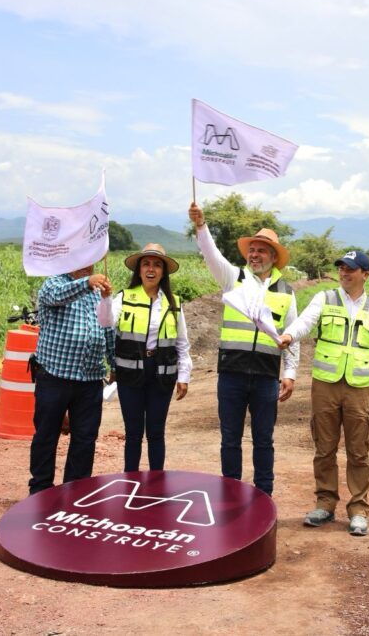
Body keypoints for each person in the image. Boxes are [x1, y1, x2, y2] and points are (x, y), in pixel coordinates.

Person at [188, 202, 299, 496]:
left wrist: (289, 373)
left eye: (262, 250)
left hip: (266, 377)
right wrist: (201, 226)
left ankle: (264, 496)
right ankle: (231, 493)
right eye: (252, 249)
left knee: (264, 440)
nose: (254, 254)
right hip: (232, 374)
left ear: (273, 257)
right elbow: (211, 254)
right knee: (230, 439)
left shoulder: (286, 292)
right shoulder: (233, 279)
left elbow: (292, 334)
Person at [277, 250, 369, 536]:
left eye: (350, 269)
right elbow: (305, 321)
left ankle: (358, 509)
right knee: (324, 448)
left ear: (365, 274)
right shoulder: (324, 298)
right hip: (325, 384)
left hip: (359, 387)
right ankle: (325, 504)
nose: (344, 273)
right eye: (341, 268)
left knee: (358, 450)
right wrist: (289, 335)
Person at [97, 243, 191, 472]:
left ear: (163, 272)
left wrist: (184, 376)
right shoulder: (125, 297)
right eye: (146, 264)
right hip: (130, 373)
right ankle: (131, 480)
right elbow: (105, 321)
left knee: (156, 432)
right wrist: (106, 299)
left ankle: (156, 482)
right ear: (138, 270)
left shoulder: (174, 303)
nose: (151, 269)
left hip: (162, 373)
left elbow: (182, 342)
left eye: (157, 265)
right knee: (133, 433)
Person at [28, 264, 115, 495]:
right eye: (83, 260)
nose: (88, 265)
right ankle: (40, 490)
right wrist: (87, 283)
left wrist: (114, 363)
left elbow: (107, 327)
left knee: (85, 438)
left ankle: (75, 491)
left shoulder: (98, 291)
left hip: (91, 378)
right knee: (46, 434)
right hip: (54, 376)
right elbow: (57, 296)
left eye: (91, 261)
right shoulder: (54, 282)